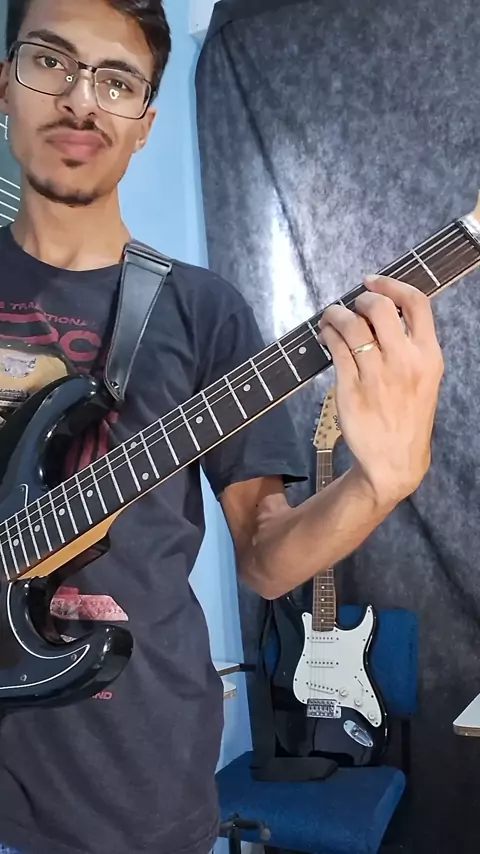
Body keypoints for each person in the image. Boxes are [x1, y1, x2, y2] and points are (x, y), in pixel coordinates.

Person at [0, 1, 444, 853]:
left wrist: (381, 483)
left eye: (117, 81)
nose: (82, 99)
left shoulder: (202, 311)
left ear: (145, 123)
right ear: (6, 84)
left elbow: (267, 561)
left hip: (131, 792)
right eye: (51, 62)